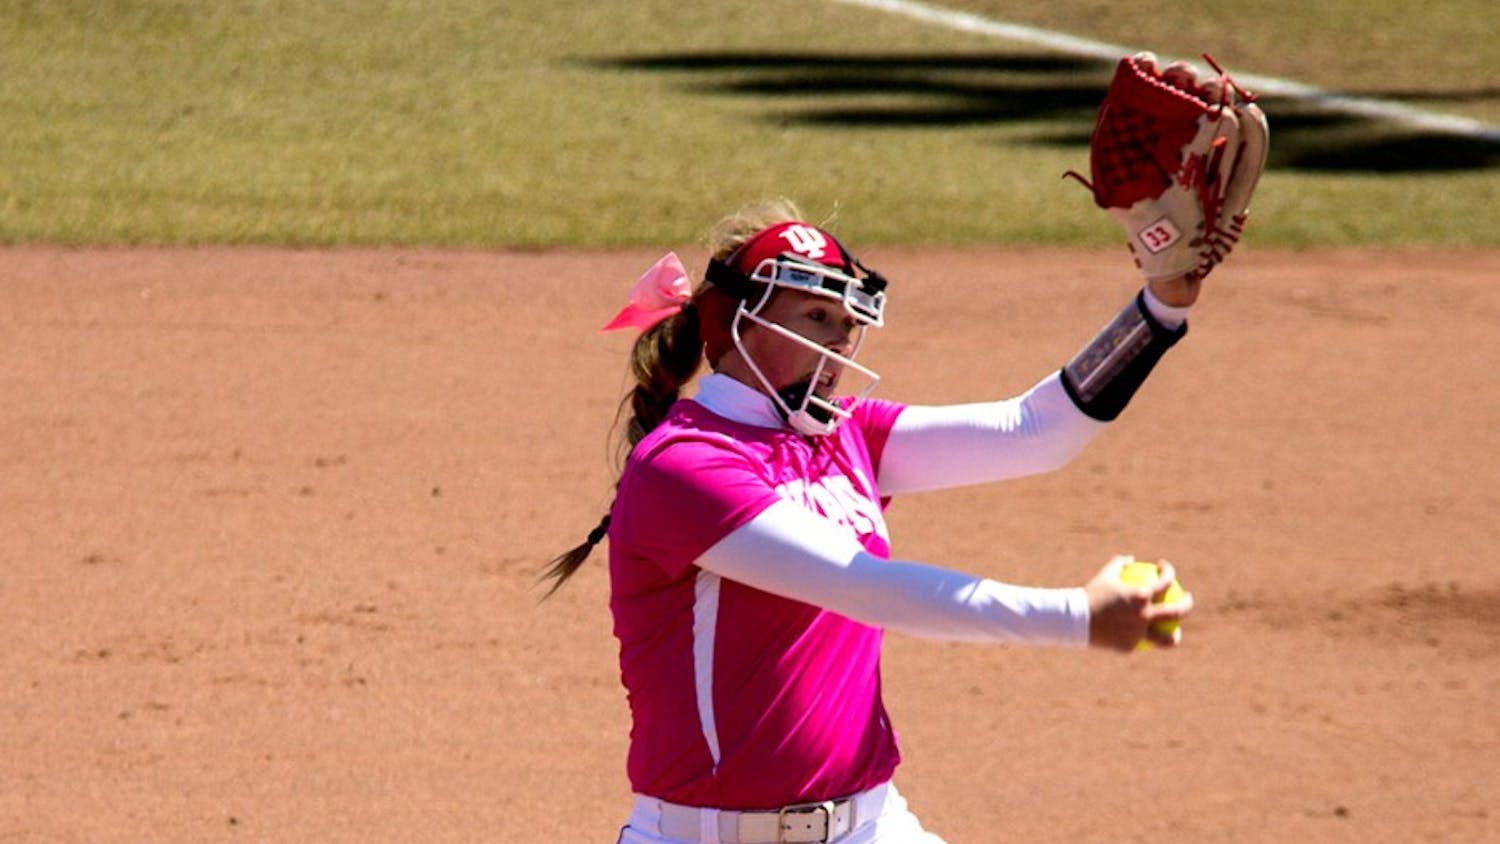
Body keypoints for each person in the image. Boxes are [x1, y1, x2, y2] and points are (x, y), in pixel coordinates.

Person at [544, 197, 1199, 844]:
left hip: (872, 824)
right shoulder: (684, 465)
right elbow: (864, 587)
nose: (841, 339)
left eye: (850, 318)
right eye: (818, 316)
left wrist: (1161, 306)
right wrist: (1078, 617)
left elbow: (1033, 431)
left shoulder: (846, 434)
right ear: (738, 320)